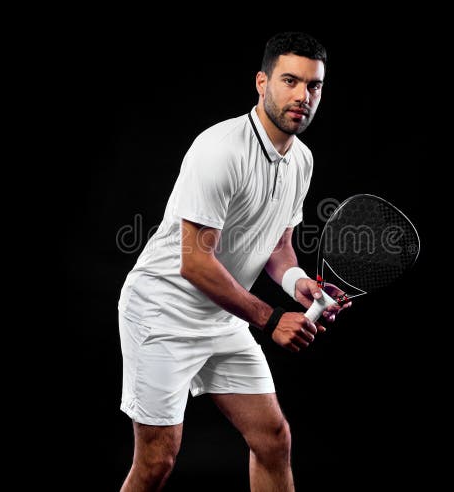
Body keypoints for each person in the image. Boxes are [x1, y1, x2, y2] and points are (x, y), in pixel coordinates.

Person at [117, 31, 351, 491]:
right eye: (290, 80)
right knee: (157, 461)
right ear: (262, 83)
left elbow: (277, 246)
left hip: (222, 318)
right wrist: (270, 319)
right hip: (162, 313)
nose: (303, 95)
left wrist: (297, 283)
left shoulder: (301, 160)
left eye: (314, 85)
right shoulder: (220, 149)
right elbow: (195, 264)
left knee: (273, 439)